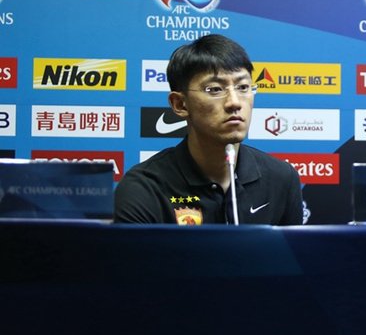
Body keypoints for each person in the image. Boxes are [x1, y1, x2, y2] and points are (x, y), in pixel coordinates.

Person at [114, 34, 302, 225]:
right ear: (180, 104)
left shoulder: (281, 178)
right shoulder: (144, 188)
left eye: (243, 87)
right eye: (215, 89)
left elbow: (294, 246)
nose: (234, 102)